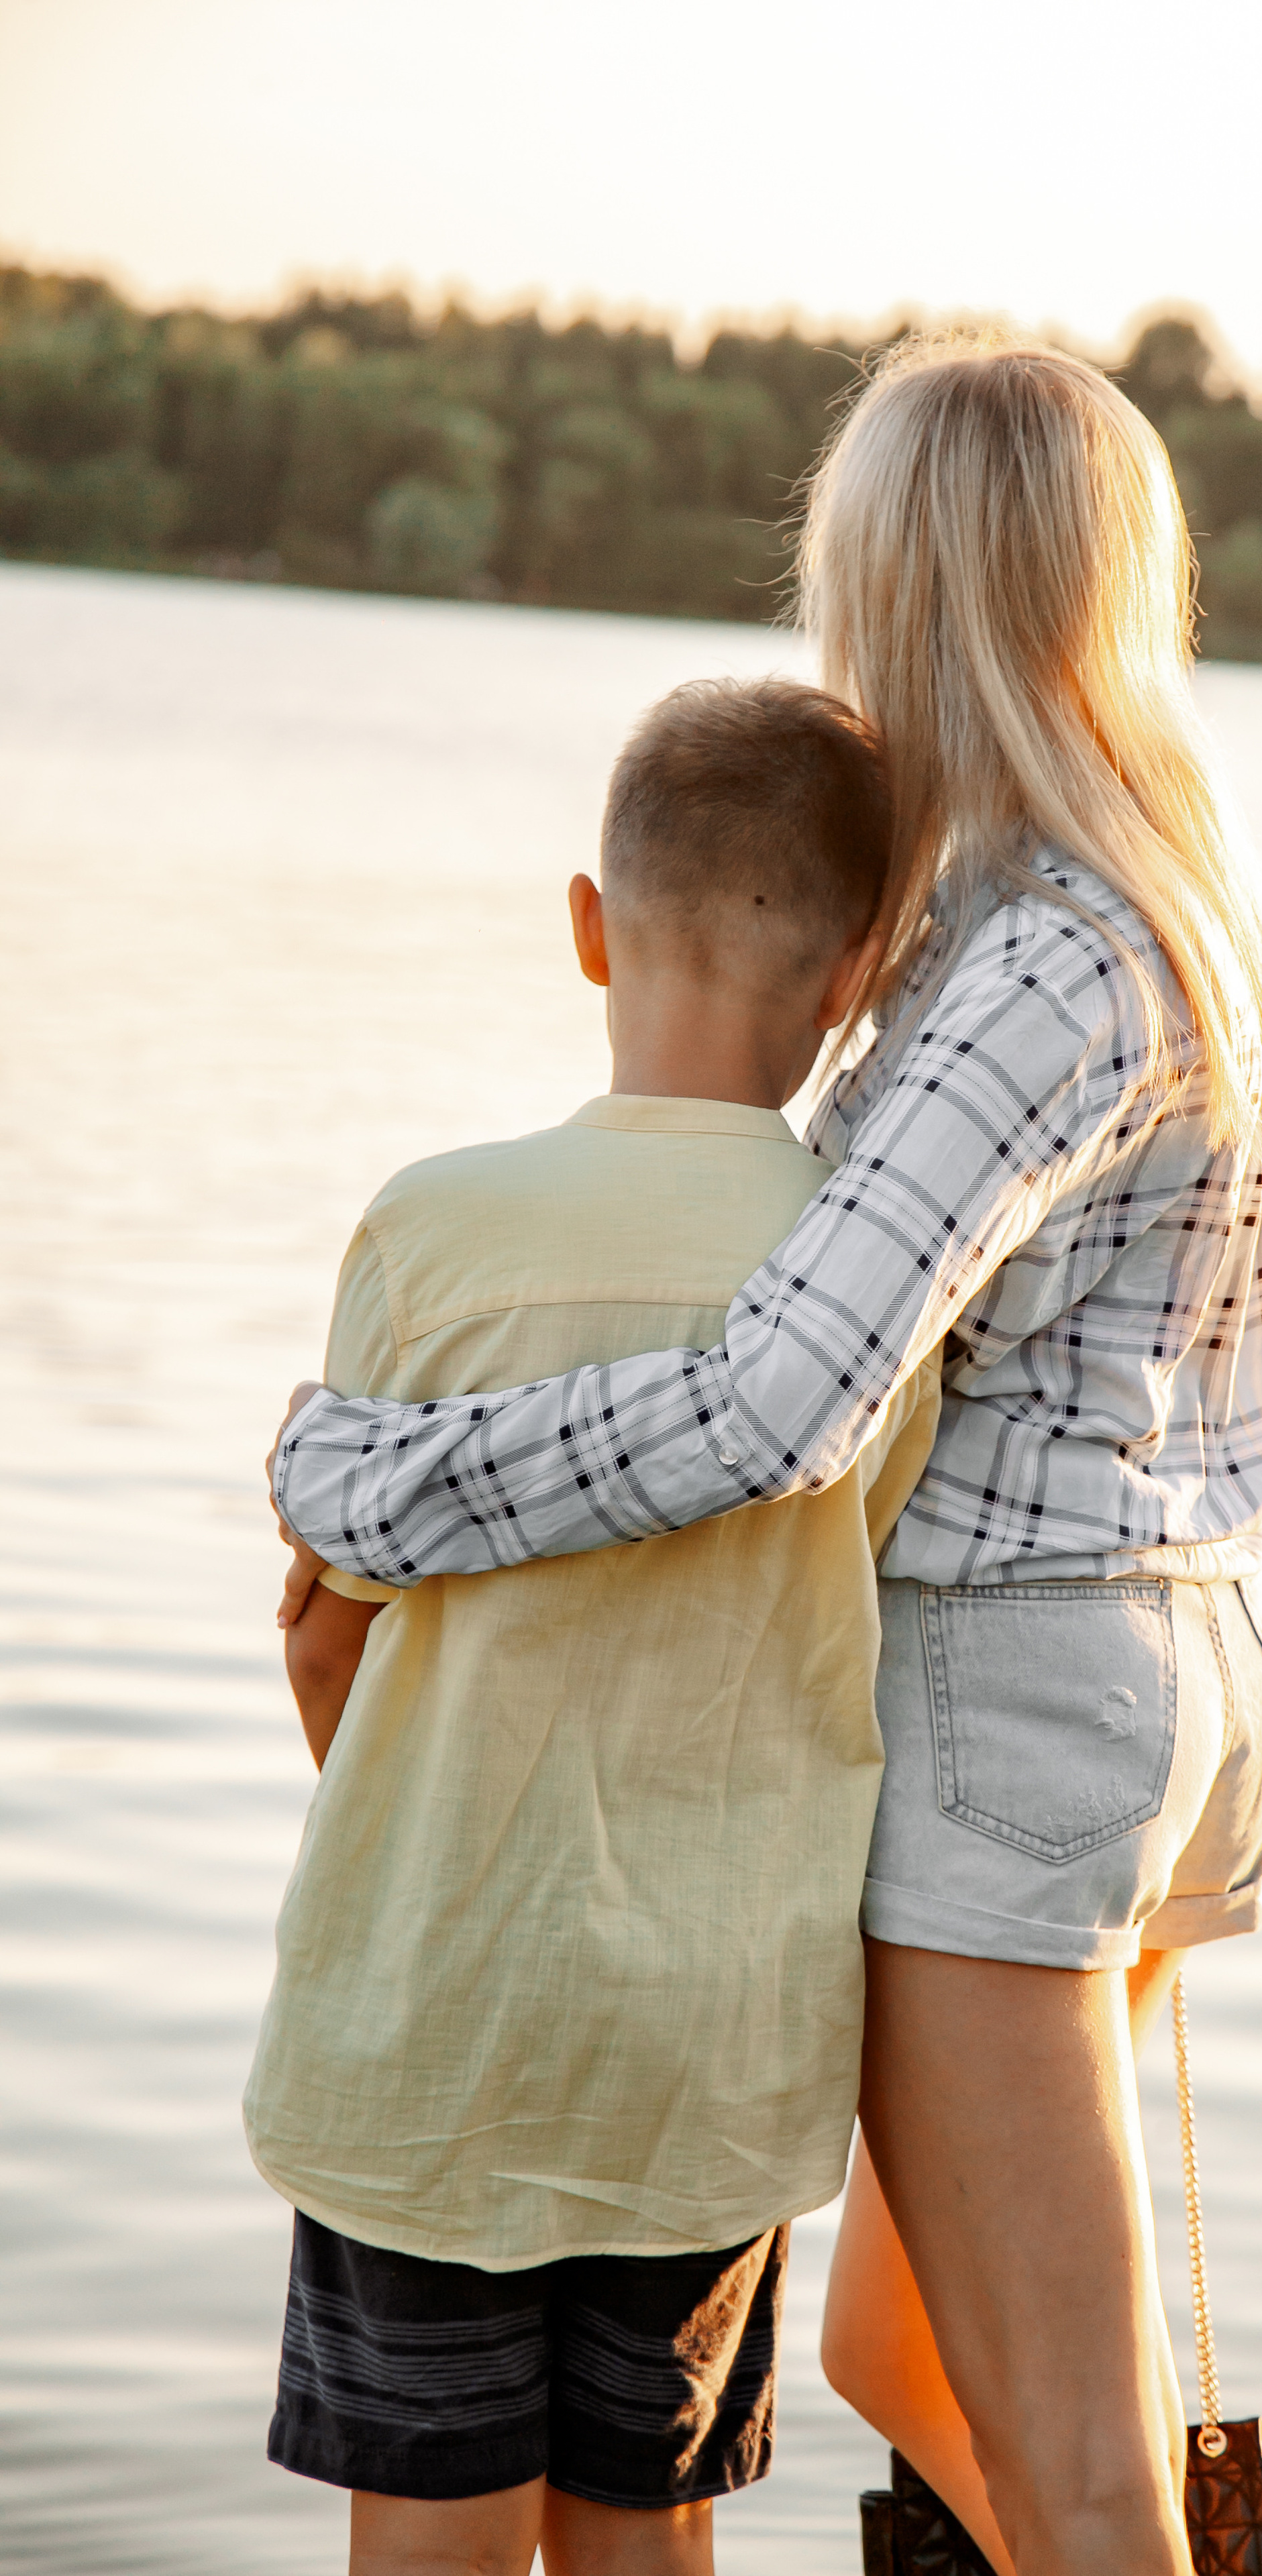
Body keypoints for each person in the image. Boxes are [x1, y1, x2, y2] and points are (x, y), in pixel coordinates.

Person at [272, 332, 1262, 2576]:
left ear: (910, 588)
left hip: (1002, 1714)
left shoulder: (1044, 952)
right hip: (1158, 1670)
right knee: (909, 2372)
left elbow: (782, 1400)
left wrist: (375, 1489)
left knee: (1076, 2469)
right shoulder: (1189, 908)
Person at [250, 677, 942, 2576]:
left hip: (438, 2016)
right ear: (856, 974)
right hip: (705, 2052)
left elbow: (331, 1638)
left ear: (587, 922)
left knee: (435, 2539)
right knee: (648, 2543)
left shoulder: (436, 1230)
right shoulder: (871, 1281)